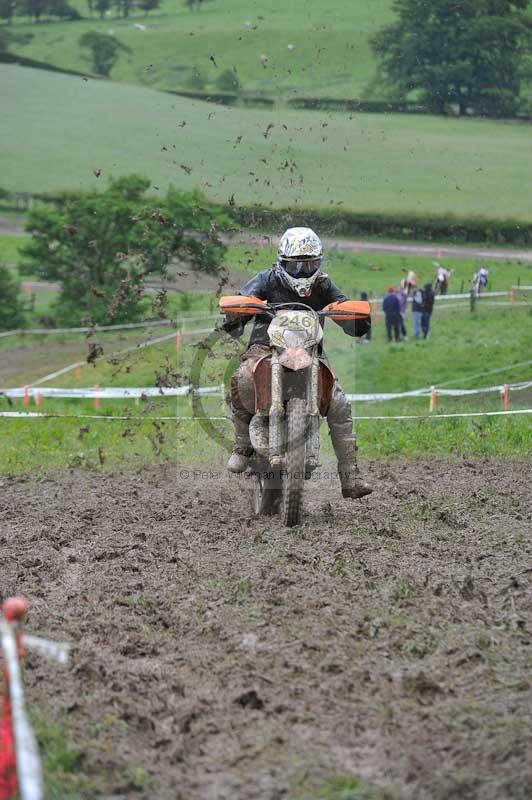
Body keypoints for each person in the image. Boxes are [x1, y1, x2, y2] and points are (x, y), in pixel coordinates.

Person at [222, 227, 372, 499]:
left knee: (338, 403)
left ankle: (350, 476)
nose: (303, 271)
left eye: (310, 264)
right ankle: (242, 445)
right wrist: (237, 314)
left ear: (319, 262)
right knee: (243, 377)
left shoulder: (323, 284)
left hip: (310, 353)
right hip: (264, 348)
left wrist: (356, 318)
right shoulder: (268, 279)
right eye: (296, 265)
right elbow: (245, 299)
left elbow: (343, 306)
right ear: (282, 263)